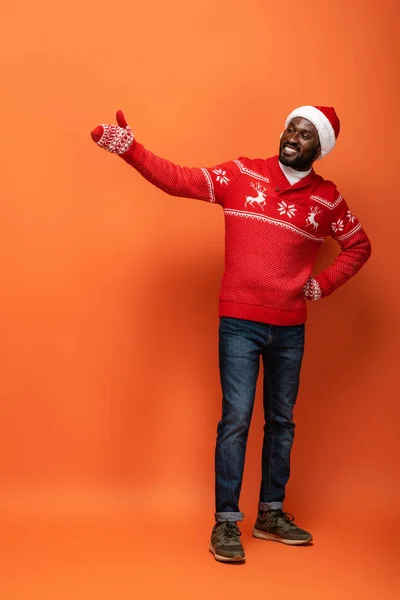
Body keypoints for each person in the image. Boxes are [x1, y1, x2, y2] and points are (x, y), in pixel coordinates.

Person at [91, 106, 371, 563]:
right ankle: (225, 523)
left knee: (282, 422)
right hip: (239, 323)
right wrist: (131, 151)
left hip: (290, 328)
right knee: (236, 420)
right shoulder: (242, 174)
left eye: (304, 135)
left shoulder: (327, 200)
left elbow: (359, 244)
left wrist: (322, 284)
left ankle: (270, 515)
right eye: (289, 128)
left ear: (319, 148)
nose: (292, 137)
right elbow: (178, 180)